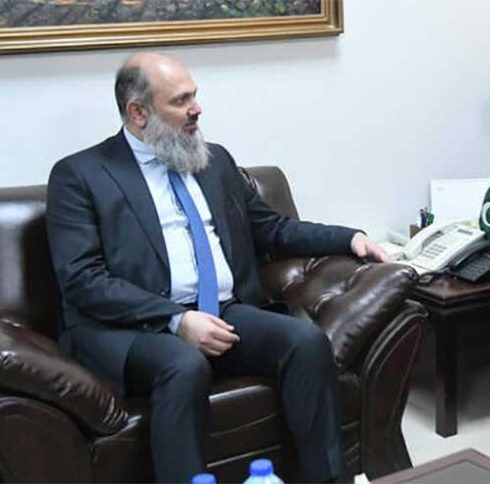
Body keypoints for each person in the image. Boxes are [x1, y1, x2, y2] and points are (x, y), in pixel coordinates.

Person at [46, 52, 390, 483]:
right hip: (132, 328)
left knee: (304, 341)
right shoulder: (80, 175)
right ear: (138, 113)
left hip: (221, 310)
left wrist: (349, 238)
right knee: (183, 365)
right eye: (180, 100)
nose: (196, 109)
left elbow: (272, 229)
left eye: (194, 95)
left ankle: (325, 479)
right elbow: (82, 279)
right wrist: (176, 319)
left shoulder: (215, 161)